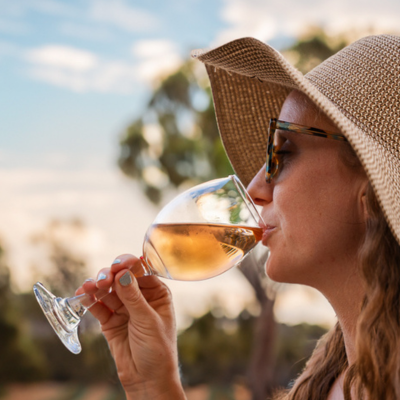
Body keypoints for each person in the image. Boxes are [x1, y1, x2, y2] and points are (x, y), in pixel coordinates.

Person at [77, 34, 400, 399]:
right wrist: (153, 385)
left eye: (285, 151)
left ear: (372, 188)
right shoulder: (326, 378)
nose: (255, 187)